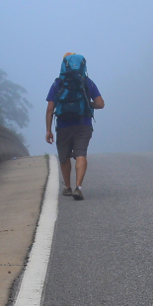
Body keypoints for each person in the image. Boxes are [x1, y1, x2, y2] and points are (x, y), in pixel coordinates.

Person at [45, 52, 105, 200]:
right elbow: (100, 104)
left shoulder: (58, 83)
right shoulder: (87, 82)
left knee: (64, 157)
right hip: (83, 124)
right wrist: (86, 105)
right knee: (81, 154)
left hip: (63, 125)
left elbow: (50, 109)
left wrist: (48, 130)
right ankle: (78, 187)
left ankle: (67, 187)